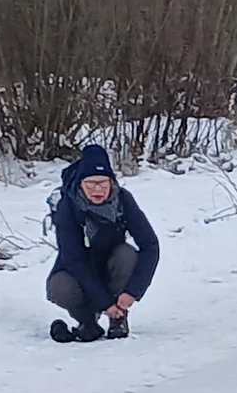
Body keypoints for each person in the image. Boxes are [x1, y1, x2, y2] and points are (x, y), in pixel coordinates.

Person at [46, 143, 161, 342]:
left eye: (103, 183)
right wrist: (104, 303)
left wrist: (133, 292)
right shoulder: (68, 206)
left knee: (127, 254)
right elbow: (74, 260)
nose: (97, 189)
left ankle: (119, 316)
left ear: (111, 182)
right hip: (78, 269)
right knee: (59, 287)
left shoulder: (123, 200)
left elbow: (150, 245)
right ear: (81, 183)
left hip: (112, 264)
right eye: (91, 183)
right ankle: (86, 319)